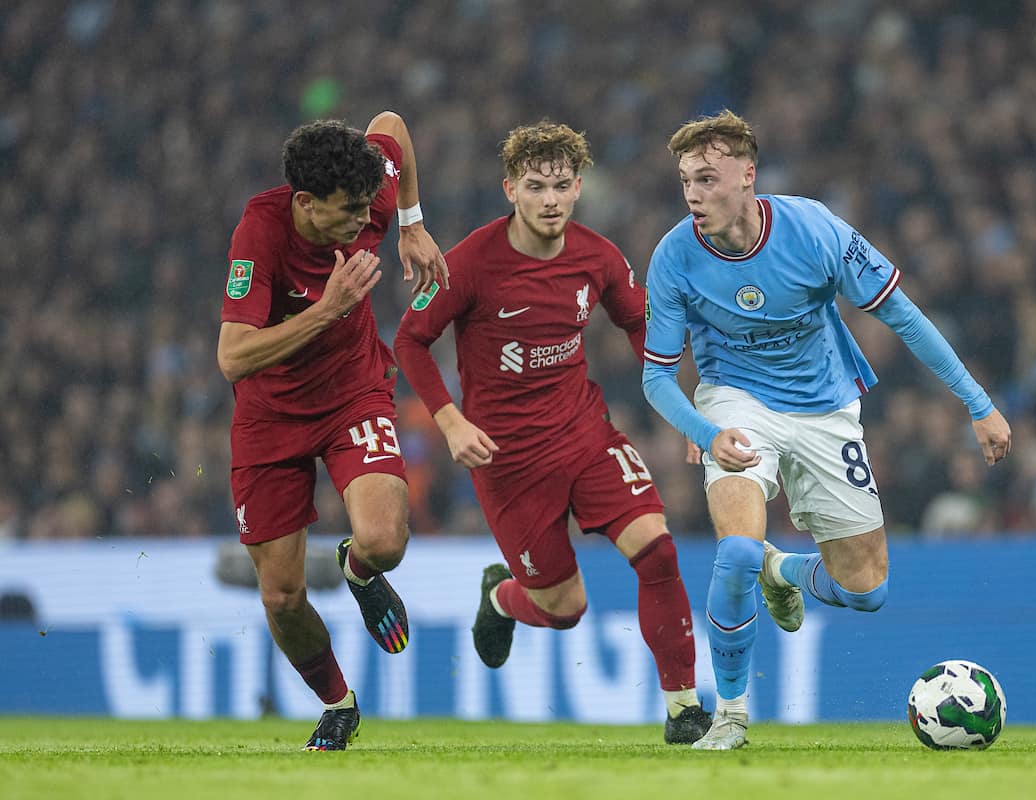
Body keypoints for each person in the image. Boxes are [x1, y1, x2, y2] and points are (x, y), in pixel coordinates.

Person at [641, 110, 1012, 750]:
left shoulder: (813, 229)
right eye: (685, 182)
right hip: (736, 401)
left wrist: (977, 403)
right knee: (733, 551)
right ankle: (729, 717)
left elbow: (902, 315)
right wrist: (705, 431)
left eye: (706, 178)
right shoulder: (674, 256)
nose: (693, 195)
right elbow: (655, 380)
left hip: (824, 406)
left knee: (865, 591)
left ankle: (781, 572)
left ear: (747, 175)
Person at [394, 120, 712, 744]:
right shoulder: (471, 263)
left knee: (658, 551)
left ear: (579, 188)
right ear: (510, 188)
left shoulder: (597, 256)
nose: (550, 201)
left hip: (585, 434)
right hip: (507, 464)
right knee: (565, 609)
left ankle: (683, 710)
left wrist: (685, 408)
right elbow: (410, 339)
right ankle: (501, 598)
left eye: (562, 186)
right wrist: (450, 420)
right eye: (536, 187)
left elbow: (639, 324)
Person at [216, 112, 448, 750]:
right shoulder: (260, 233)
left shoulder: (366, 193)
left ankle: (359, 570)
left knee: (385, 539)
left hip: (352, 393)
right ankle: (338, 703)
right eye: (347, 213)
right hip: (270, 415)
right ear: (305, 203)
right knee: (284, 596)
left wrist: (412, 222)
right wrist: (327, 311)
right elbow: (233, 356)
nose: (358, 223)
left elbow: (394, 126)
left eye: (366, 210)